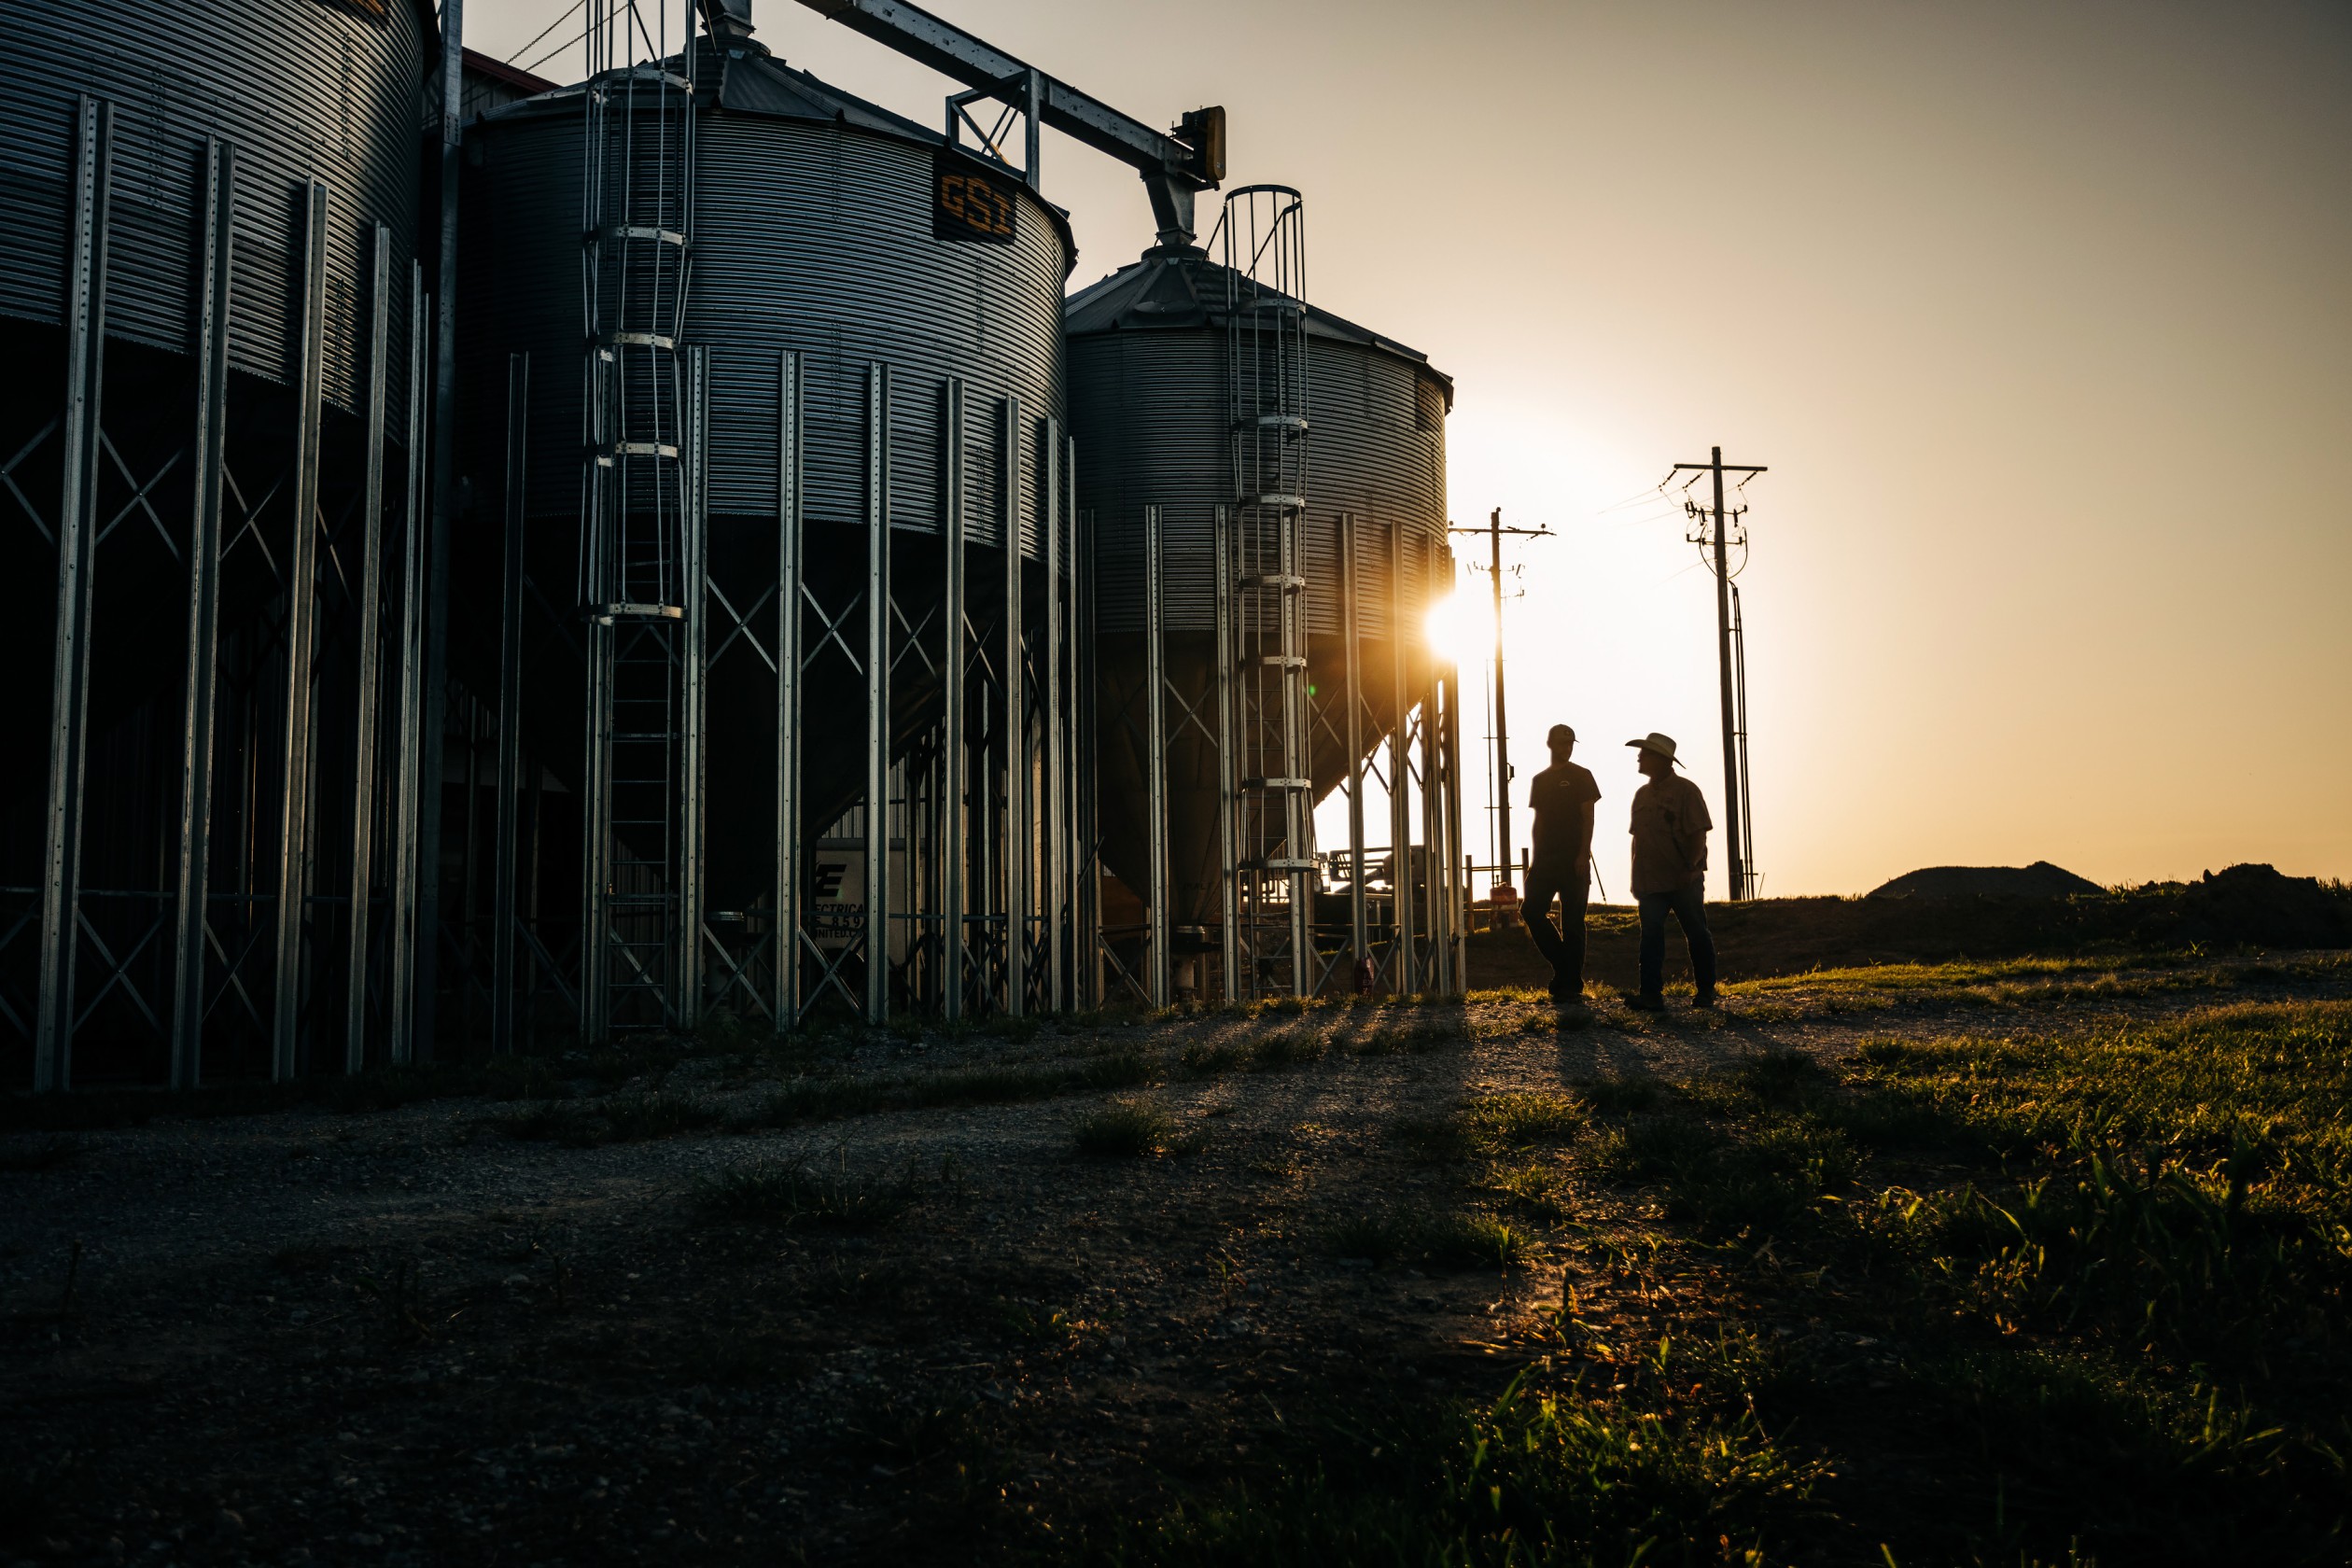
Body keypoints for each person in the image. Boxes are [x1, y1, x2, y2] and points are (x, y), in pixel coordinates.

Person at [1625, 732, 1717, 1010]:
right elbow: (1638, 840)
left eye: (1645, 753)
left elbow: (1699, 834)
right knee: (1650, 936)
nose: (1639, 757)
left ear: (1661, 759)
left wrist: (1691, 868)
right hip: (1651, 882)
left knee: (1696, 933)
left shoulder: (1687, 791)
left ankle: (1706, 991)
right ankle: (1650, 995)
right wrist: (1636, 878)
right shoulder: (1641, 795)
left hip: (1682, 879)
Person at [1525, 723, 1601, 1005]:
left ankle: (1570, 986)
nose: (1567, 748)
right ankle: (1566, 972)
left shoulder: (1582, 776)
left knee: (1572, 922)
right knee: (1531, 910)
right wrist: (1535, 859)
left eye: (1570, 744)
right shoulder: (1540, 780)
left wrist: (1583, 854)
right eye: (1562, 743)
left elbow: (1588, 817)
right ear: (1550, 744)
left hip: (1573, 860)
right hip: (1546, 859)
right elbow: (1539, 822)